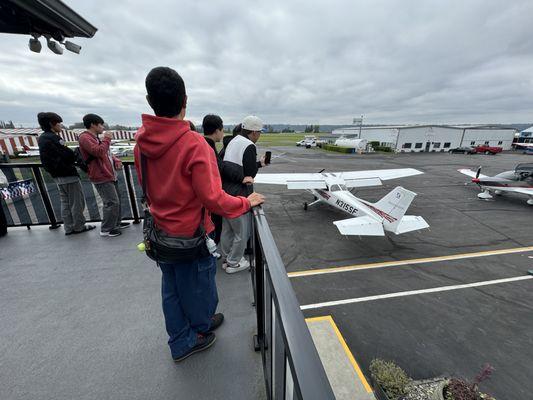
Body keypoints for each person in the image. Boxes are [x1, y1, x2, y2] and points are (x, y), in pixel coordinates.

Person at [134, 66, 264, 362]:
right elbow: (213, 199)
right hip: (190, 234)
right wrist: (246, 202)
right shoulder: (193, 143)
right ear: (185, 101)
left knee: (172, 288)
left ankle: (183, 334)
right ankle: (195, 333)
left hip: (160, 232)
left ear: (149, 99)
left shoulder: (141, 141)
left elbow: (147, 185)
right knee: (199, 285)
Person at [220, 115, 267, 274]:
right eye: (259, 132)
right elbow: (249, 174)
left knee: (227, 229)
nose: (259, 136)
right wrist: (256, 167)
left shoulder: (233, 141)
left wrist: (259, 163)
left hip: (225, 190)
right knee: (242, 231)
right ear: (254, 132)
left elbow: (232, 167)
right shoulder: (249, 145)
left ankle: (227, 259)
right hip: (240, 193)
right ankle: (234, 263)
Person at [37, 112, 95, 235]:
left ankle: (68, 227)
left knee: (65, 203)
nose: (60, 126)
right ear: (51, 124)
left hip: (57, 176)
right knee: (76, 202)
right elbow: (68, 155)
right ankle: (79, 226)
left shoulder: (42, 138)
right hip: (68, 175)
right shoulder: (55, 138)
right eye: (58, 123)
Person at [202, 114, 253, 244]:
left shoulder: (205, 144)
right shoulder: (207, 147)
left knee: (223, 230)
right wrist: (242, 177)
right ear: (217, 130)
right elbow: (221, 166)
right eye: (223, 129)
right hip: (213, 197)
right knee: (221, 229)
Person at [78, 114, 130, 237]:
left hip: (109, 174)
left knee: (116, 200)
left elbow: (106, 153)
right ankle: (107, 228)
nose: (103, 127)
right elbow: (98, 152)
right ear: (93, 125)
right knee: (111, 202)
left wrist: (116, 160)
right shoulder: (85, 138)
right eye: (100, 124)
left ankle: (116, 223)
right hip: (101, 176)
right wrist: (107, 139)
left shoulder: (95, 137)